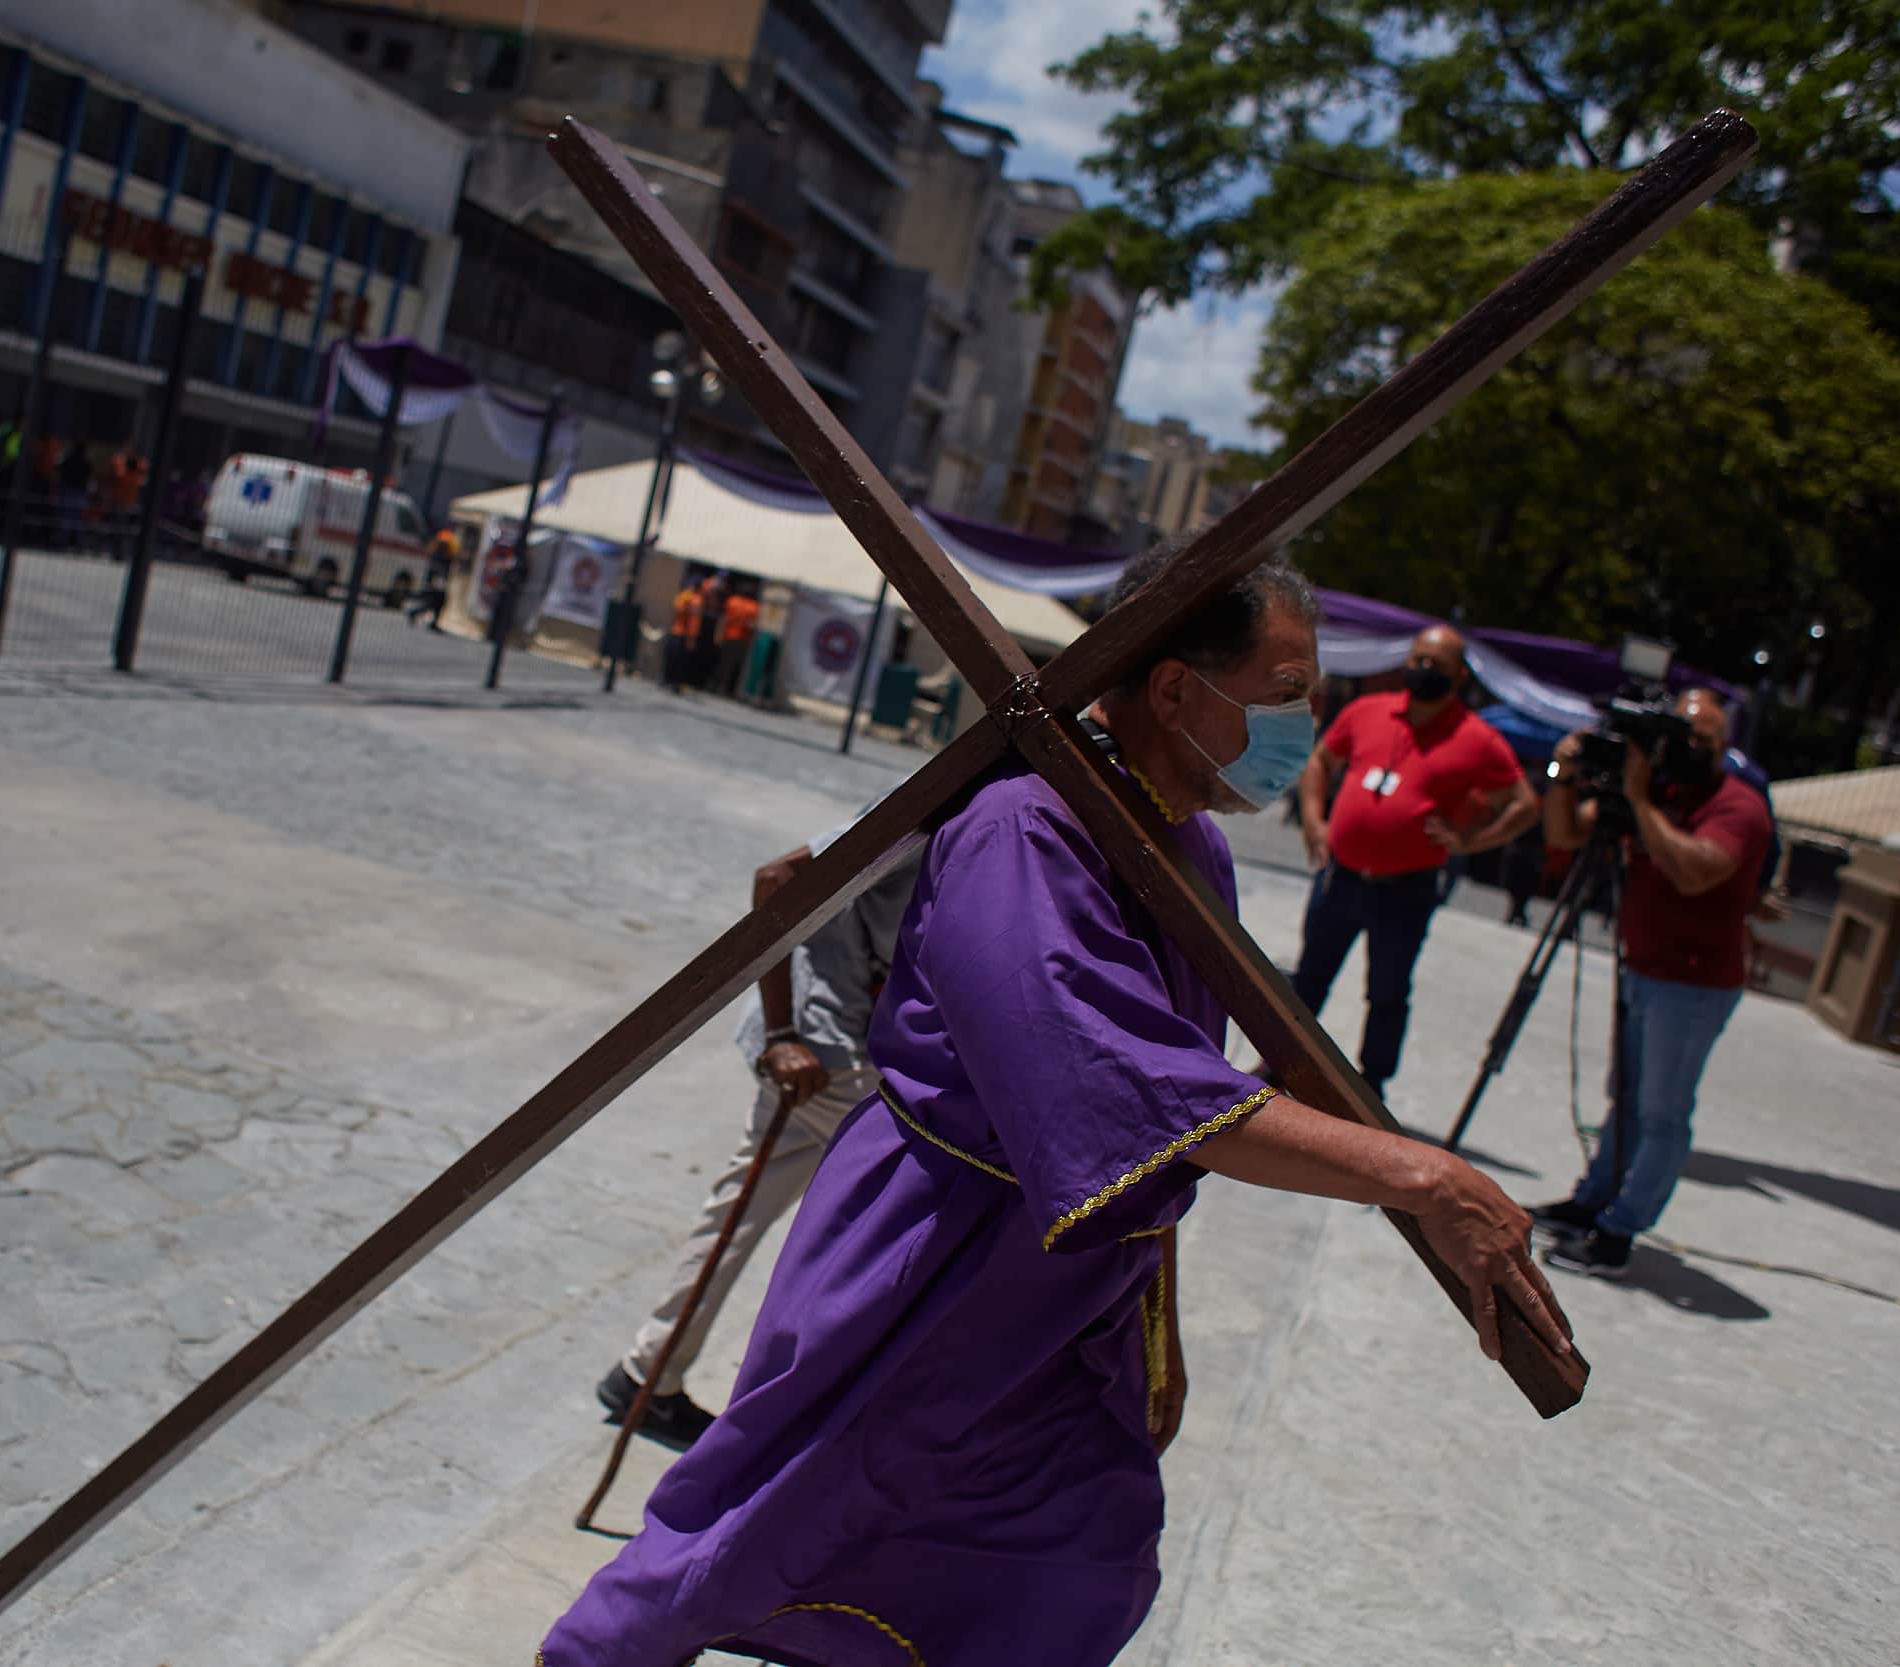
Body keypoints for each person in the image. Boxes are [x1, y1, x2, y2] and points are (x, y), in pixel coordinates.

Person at [541, 547, 1573, 1667]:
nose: (1303, 723)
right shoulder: (1023, 831)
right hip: (938, 1262)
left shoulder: (1193, 843)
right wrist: (1420, 1173)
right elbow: (1124, 1085)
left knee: (1072, 1557)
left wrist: (1191, 1292)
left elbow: (1176, 1085)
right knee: (774, 1523)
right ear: (1175, 688)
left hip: (1068, 1288)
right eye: (1283, 693)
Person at [596, 814, 924, 1450]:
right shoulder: (955, 805)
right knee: (894, 1225)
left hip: (843, 1054)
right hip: (828, 1058)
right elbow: (776, 878)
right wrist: (780, 1034)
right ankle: (786, 1417)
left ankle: (648, 1374)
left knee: (742, 1212)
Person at [1529, 689, 1772, 1277]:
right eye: (1680, 736)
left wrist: (1638, 798)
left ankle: (1619, 1232)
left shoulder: (1738, 807)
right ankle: (1592, 1200)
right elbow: (1564, 835)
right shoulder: (1657, 791)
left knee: (1662, 1111)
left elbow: (1694, 872)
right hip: (1642, 970)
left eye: (1703, 741)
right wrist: (1565, 774)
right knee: (1627, 1101)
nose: (1688, 751)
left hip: (1693, 985)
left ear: (1724, 747)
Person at [1289, 626, 1538, 1101]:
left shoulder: (1477, 739)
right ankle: (1282, 1066)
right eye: (1418, 659)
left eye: (1436, 666)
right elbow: (1321, 759)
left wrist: (1471, 842)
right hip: (1340, 876)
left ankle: (1371, 1083)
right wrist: (1314, 821)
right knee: (1308, 979)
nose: (1422, 671)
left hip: (1405, 888)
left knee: (1386, 990)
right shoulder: (1369, 710)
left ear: (1459, 676)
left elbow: (1524, 803)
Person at [712, 580, 761, 698]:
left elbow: (724, 619)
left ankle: (718, 686)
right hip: (742, 639)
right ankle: (728, 689)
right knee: (736, 666)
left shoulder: (732, 601)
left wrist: (718, 635)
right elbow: (753, 625)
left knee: (724, 663)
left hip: (729, 636)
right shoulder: (754, 607)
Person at [407, 528, 455, 629]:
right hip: (437, 578)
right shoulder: (443, 546)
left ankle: (431, 620)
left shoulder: (442, 545)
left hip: (436, 577)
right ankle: (415, 613)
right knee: (435, 600)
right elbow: (440, 564)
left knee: (436, 600)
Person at [665, 575, 706, 691]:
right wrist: (692, 639)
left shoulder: (684, 596)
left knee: (674, 658)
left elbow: (676, 609)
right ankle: (675, 683)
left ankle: (670, 681)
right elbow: (694, 621)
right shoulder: (696, 600)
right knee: (681, 661)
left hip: (677, 632)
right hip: (683, 634)